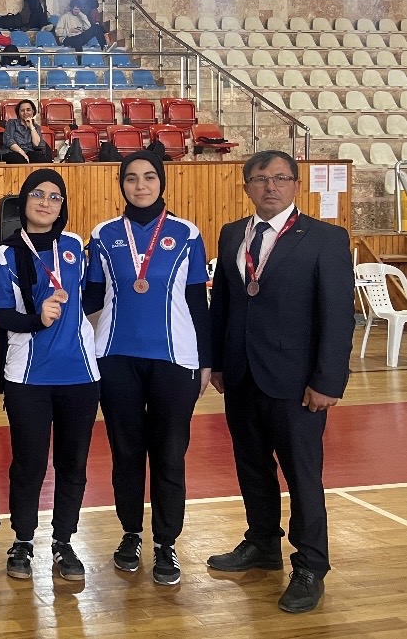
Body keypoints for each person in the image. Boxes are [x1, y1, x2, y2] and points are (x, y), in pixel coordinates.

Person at [207, 150, 353, 614]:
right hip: (243, 376)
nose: (270, 186)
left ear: (295, 184)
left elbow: (337, 316)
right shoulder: (233, 234)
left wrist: (328, 380)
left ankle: (311, 565)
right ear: (246, 186)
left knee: (302, 477)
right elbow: (224, 307)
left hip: (297, 383)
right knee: (252, 467)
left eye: (280, 178)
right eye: (260, 179)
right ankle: (263, 543)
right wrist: (217, 364)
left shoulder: (325, 238)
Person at [83, 151, 212, 586]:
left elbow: (198, 301)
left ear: (162, 182)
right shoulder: (102, 235)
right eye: (132, 178)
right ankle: (131, 534)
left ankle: (167, 543)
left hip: (175, 360)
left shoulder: (187, 234)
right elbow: (91, 300)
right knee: (126, 453)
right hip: (116, 358)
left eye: (149, 177)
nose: (141, 185)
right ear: (121, 184)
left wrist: (206, 361)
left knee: (170, 454)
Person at [0, 169, 100, 582]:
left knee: (73, 463)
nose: (46, 203)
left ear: (62, 206)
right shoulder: (4, 254)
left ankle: (65, 541)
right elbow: (4, 315)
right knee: (29, 464)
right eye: (38, 194)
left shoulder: (74, 245)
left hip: (80, 375)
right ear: (23, 201)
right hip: (28, 376)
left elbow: (94, 293)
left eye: (55, 197)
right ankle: (22, 540)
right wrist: (39, 319)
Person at [2, 99, 55, 164]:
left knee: (39, 159)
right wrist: (23, 153)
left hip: (30, 152)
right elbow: (9, 141)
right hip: (13, 152)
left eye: (28, 110)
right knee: (20, 160)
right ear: (18, 112)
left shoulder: (36, 127)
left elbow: (37, 145)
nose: (25, 113)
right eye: (22, 110)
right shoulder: (11, 123)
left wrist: (31, 127)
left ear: (33, 111)